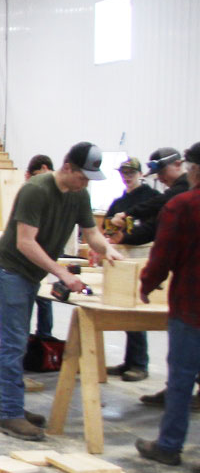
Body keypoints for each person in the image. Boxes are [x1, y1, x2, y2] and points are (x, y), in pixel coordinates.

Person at [0, 142, 123, 440]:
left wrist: (109, 251)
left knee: (16, 342)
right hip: (9, 269)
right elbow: (25, 242)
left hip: (29, 274)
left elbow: (92, 233)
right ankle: (9, 413)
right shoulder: (36, 190)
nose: (85, 183)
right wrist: (61, 272)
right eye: (82, 177)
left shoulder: (79, 194)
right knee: (14, 343)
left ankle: (5, 405)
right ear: (67, 167)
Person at [134, 141, 200, 469]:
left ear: (193, 170)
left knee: (181, 379)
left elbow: (163, 255)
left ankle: (169, 446)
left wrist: (147, 284)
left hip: (191, 305)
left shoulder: (183, 205)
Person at [101, 157, 160, 383]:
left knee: (137, 309)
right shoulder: (119, 202)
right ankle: (130, 361)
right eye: (123, 173)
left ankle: (139, 363)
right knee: (125, 307)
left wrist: (124, 235)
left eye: (131, 173)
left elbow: (151, 229)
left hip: (143, 255)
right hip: (123, 255)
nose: (127, 177)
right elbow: (106, 225)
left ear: (140, 174)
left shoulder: (151, 198)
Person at [24, 154, 55, 338]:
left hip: (44, 251)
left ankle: (44, 338)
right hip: (30, 251)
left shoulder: (54, 193)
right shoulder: (32, 192)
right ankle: (25, 338)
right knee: (28, 296)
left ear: (45, 169)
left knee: (44, 297)